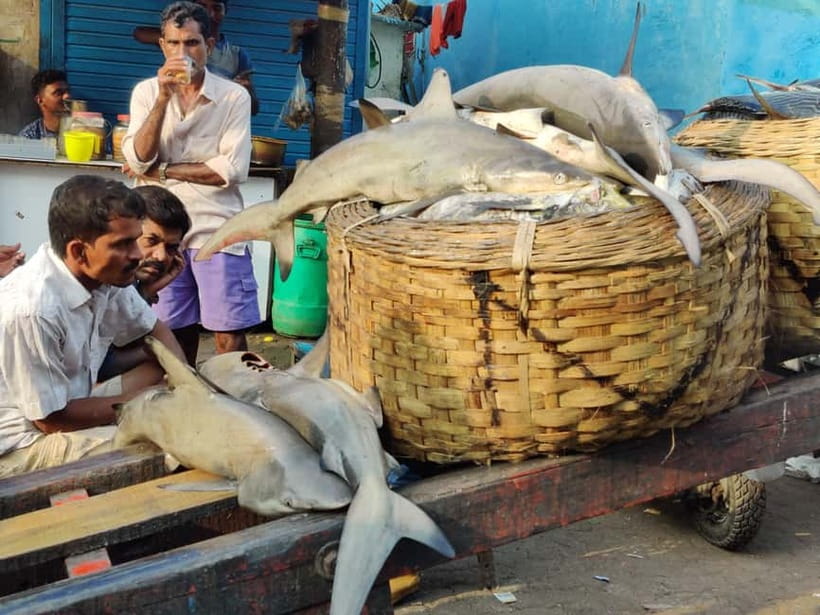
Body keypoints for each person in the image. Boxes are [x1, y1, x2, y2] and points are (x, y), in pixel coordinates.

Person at [0, 175, 187, 478]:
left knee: (162, 365)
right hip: (24, 443)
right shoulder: (33, 309)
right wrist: (141, 405)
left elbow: (156, 330)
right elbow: (49, 420)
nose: (138, 254)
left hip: (69, 405)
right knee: (170, 443)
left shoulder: (106, 276)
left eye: (136, 239)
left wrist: (187, 386)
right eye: (123, 244)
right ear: (78, 251)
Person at [122, 1, 259, 366]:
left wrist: (162, 171)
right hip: (160, 235)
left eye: (192, 43)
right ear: (163, 46)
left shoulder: (233, 96)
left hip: (218, 228)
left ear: (209, 46)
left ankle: (236, 407)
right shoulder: (146, 93)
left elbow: (230, 170)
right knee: (170, 332)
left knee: (229, 334)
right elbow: (138, 159)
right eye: (174, 43)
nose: (183, 53)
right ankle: (185, 406)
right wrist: (164, 97)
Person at [97, 184, 192, 381]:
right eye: (150, 241)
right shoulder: (107, 275)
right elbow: (97, 365)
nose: (161, 256)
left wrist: (148, 291)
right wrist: (154, 351)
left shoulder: (131, 282)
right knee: (161, 363)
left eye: (172, 248)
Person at [195, 0, 260, 115]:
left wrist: (245, 91)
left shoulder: (237, 55)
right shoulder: (179, 45)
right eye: (201, 7)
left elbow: (253, 109)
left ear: (225, 12)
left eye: (217, 8)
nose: (209, 14)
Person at [18, 69, 71, 139]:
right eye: (58, 93)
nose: (67, 96)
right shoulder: (29, 137)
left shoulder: (81, 130)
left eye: (67, 91)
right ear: (40, 100)